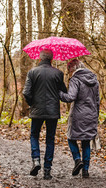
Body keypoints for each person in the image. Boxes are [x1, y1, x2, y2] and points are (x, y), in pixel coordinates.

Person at [23, 49, 67, 180]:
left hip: (37, 110)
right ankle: (47, 170)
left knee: (34, 135)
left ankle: (36, 160)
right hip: (53, 111)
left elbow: (26, 92)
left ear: (40, 58)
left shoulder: (32, 72)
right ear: (51, 59)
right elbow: (64, 91)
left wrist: (32, 103)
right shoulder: (58, 73)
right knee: (50, 139)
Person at [59, 59, 100, 178]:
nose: (69, 73)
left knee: (71, 138)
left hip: (78, 114)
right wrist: (96, 115)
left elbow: (70, 97)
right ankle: (85, 170)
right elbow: (97, 100)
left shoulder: (76, 79)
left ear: (73, 69)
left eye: (69, 71)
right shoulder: (94, 79)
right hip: (91, 114)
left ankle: (77, 160)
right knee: (86, 141)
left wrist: (59, 94)